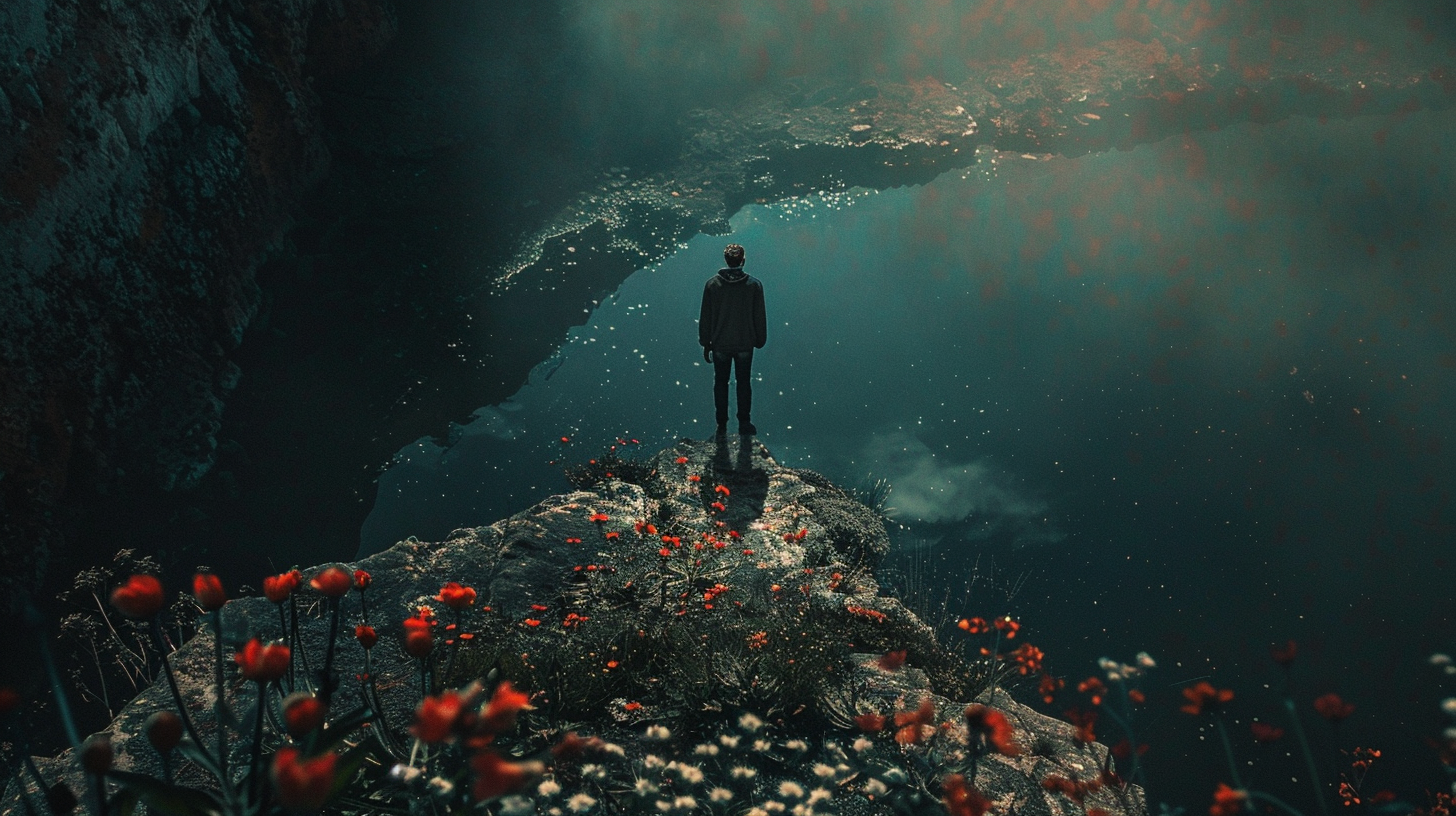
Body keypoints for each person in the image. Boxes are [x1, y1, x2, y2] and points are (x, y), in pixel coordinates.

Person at [699, 243, 766, 435]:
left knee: (721, 382)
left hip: (720, 344)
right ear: (743, 261)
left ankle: (721, 422)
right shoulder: (754, 285)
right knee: (743, 382)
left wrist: (706, 342)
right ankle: (744, 421)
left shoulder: (712, 285)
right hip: (745, 343)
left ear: (726, 261)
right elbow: (759, 316)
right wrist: (760, 339)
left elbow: (706, 316)